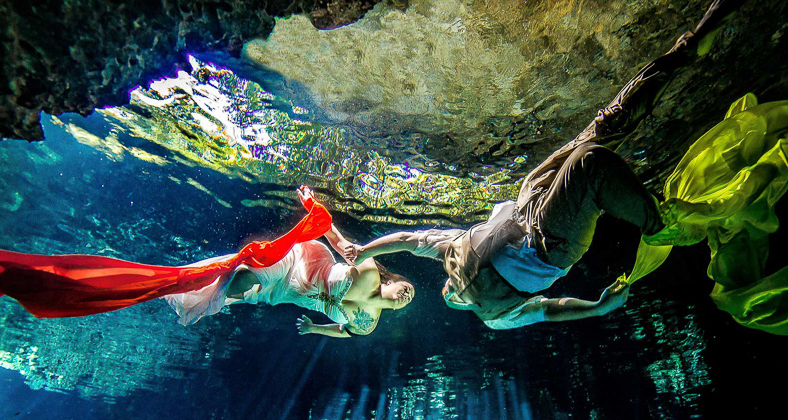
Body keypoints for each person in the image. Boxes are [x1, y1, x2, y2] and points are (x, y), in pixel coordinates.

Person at [342, 0, 740, 330]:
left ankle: (686, 49)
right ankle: (663, 224)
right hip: (548, 244)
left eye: (447, 291)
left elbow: (408, 242)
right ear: (464, 306)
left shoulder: (450, 253)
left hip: (530, 197)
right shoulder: (494, 316)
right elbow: (548, 308)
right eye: (455, 301)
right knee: (590, 165)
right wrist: (596, 308)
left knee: (606, 124)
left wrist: (362, 252)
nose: (450, 295)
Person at [166, 189, 415, 337]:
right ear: (391, 281)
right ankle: (183, 281)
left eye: (409, 299)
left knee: (231, 294)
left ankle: (178, 288)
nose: (406, 296)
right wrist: (314, 209)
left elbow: (342, 332)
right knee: (241, 281)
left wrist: (313, 328)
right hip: (299, 263)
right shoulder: (368, 269)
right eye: (406, 289)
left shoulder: (367, 326)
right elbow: (338, 242)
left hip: (284, 293)